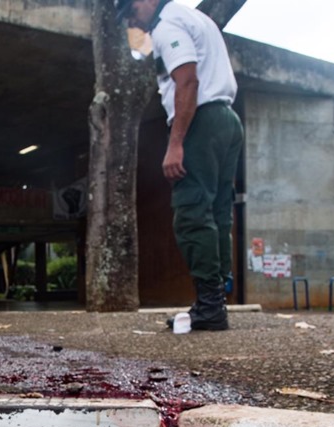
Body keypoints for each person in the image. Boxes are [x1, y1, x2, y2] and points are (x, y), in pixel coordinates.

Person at [115, 0, 244, 331]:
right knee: (217, 214)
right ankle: (214, 302)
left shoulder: (167, 25)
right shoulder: (196, 18)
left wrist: (175, 144)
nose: (133, 20)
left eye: (131, 11)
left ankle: (211, 306)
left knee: (191, 214)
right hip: (227, 120)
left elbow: (187, 81)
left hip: (201, 122)